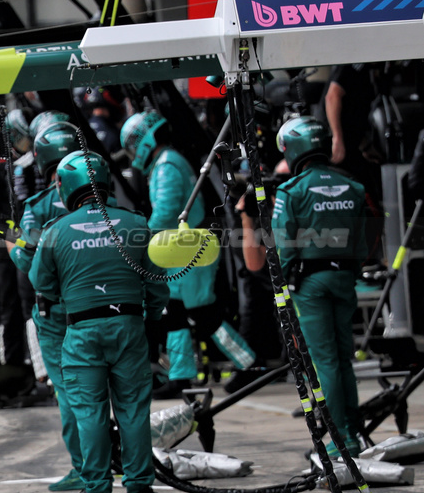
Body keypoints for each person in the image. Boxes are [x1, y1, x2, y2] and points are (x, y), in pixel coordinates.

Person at [32, 150, 168, 493]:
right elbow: (157, 286)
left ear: (67, 187)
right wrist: (151, 325)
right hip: (129, 327)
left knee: (89, 411)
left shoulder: (55, 231)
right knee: (134, 409)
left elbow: (41, 284)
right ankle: (139, 487)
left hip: (82, 331)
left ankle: (96, 490)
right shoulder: (137, 224)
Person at [121, 110, 255, 396]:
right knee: (177, 314)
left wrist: (141, 237)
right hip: (182, 248)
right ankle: (181, 377)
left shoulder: (167, 164)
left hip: (189, 249)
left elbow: (167, 210)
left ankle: (248, 365)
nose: (133, 154)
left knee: (203, 314)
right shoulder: (166, 161)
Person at [273, 116, 370, 457]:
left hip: (309, 284)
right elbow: (362, 244)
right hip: (345, 279)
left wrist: (280, 287)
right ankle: (353, 433)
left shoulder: (291, 190)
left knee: (323, 360)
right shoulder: (354, 187)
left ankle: (338, 439)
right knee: (344, 359)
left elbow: (283, 245)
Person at [9, 123, 82, 492]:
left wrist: (12, 248)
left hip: (56, 317)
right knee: (116, 391)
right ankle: (128, 465)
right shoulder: (104, 201)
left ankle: (85, 468)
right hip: (103, 308)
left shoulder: (36, 208)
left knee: (69, 392)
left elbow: (29, 263)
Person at [324, 64, 380, 202]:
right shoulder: (351, 65)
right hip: (338, 145)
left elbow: (353, 112)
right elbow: (332, 97)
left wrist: (365, 146)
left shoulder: (367, 70)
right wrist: (337, 138)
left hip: (352, 143)